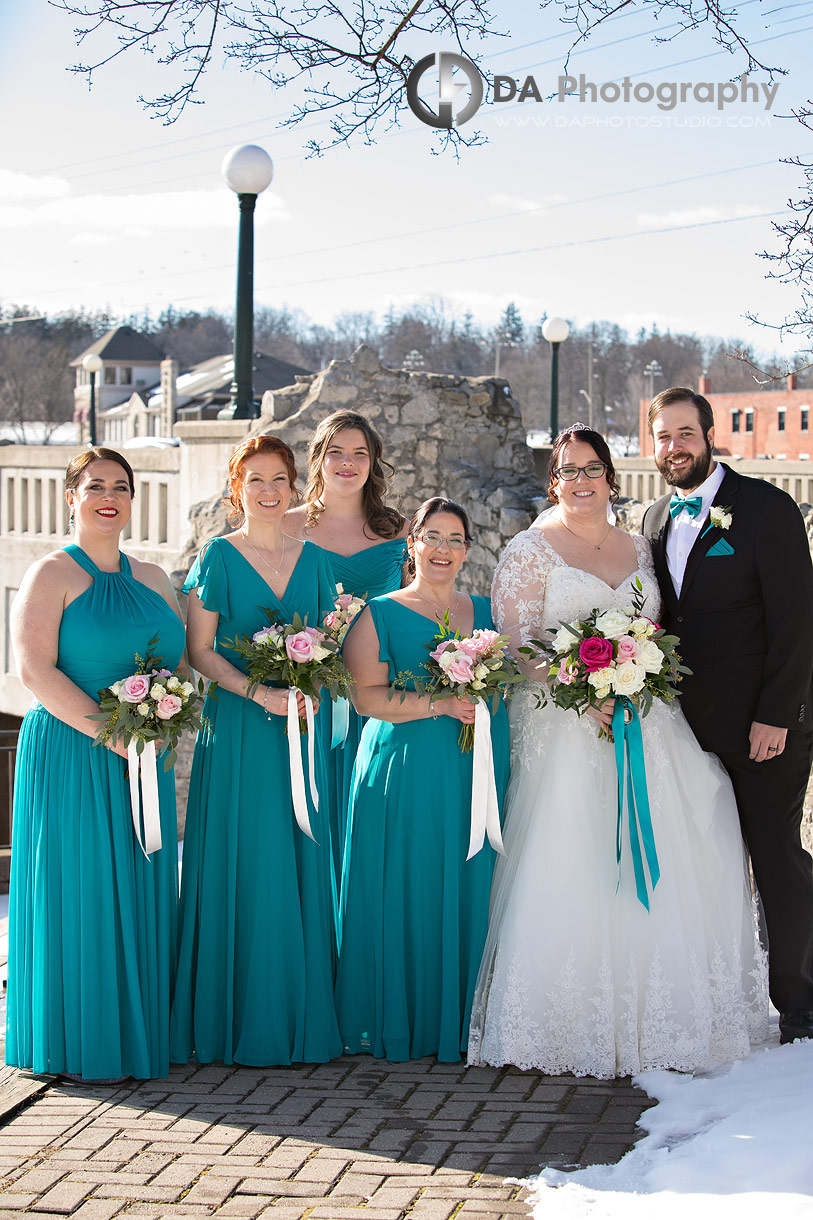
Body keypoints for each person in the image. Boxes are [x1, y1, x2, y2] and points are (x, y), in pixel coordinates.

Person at [468, 426, 768, 1078]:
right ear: (554, 482)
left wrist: (636, 672)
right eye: (567, 470)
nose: (580, 481)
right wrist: (580, 688)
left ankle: (666, 1015)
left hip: (645, 716)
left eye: (592, 469)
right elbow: (518, 642)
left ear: (610, 477)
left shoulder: (638, 545)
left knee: (697, 824)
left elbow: (656, 627)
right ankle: (570, 1022)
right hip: (564, 724)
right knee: (573, 855)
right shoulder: (529, 550)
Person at [6, 447, 185, 1081]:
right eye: (95, 486)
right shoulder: (49, 574)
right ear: (71, 497)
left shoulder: (158, 578)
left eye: (122, 487)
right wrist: (113, 736)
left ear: (134, 500)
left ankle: (138, 1027)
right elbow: (33, 669)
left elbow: (182, 665)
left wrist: (167, 716)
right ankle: (79, 1036)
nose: (109, 496)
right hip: (74, 751)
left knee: (139, 880)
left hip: (147, 753)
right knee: (79, 885)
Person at [642, 388, 813, 1045]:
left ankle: (798, 1002)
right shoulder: (654, 517)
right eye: (662, 436)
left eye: (684, 433)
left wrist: (776, 714)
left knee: (773, 857)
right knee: (705, 862)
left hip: (763, 728)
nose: (673, 447)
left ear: (709, 435)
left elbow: (795, 623)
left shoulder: (763, 509)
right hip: (684, 729)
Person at [169, 435, 342, 1067]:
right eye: (254, 479)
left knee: (299, 855)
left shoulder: (317, 561)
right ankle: (234, 1017)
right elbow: (200, 651)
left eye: (279, 479)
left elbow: (328, 643)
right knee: (245, 857)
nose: (268, 491)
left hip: (302, 729)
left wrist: (307, 684)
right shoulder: (218, 556)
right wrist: (258, 692)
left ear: (295, 488)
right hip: (241, 728)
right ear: (235, 489)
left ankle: (299, 1013)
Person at [335, 497, 509, 1062]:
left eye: (455, 539)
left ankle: (464, 1015)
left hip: (471, 771)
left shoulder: (486, 611)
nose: (442, 549)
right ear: (412, 545)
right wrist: (441, 702)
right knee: (409, 886)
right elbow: (366, 699)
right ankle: (405, 1019)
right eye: (431, 536)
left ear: (467, 550)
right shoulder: (379, 613)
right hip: (405, 771)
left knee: (469, 885)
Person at [286, 410, 408, 882]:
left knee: (370, 828)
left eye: (360, 453)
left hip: (378, 697)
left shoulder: (399, 532)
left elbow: (414, 608)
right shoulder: (287, 528)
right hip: (308, 701)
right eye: (335, 451)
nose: (347, 462)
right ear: (318, 459)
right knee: (312, 824)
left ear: (374, 462)